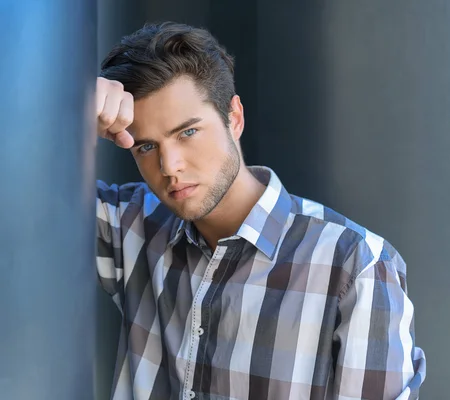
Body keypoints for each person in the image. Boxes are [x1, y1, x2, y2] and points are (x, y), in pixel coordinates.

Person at [96, 21, 426, 400]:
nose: (170, 166)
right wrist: (69, 109)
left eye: (187, 132)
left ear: (234, 118)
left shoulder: (356, 264)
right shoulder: (130, 226)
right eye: (146, 147)